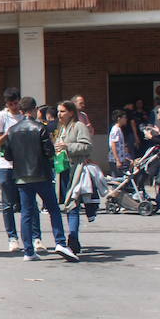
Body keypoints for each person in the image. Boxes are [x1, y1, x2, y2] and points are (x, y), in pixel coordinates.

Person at [4, 97, 77, 262]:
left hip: (22, 176)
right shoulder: (40, 128)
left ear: (21, 111)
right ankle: (59, 242)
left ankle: (28, 251)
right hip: (42, 174)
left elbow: (7, 154)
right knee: (53, 209)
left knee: (26, 213)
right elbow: (49, 152)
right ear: (35, 109)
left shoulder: (12, 130)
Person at [54, 100, 93, 255]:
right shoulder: (61, 128)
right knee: (67, 204)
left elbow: (87, 146)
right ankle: (72, 239)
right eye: (58, 111)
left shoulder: (79, 126)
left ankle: (73, 239)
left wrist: (68, 147)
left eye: (62, 111)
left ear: (71, 112)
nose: (59, 114)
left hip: (76, 170)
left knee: (73, 204)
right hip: (62, 170)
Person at [0, 87, 23, 252]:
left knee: (26, 201)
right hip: (5, 164)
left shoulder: (24, 116)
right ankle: (12, 237)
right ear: (6, 103)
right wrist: (10, 132)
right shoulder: (1, 116)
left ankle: (33, 236)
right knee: (7, 203)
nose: (14, 107)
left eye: (16, 103)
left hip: (23, 164)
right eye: (11, 104)